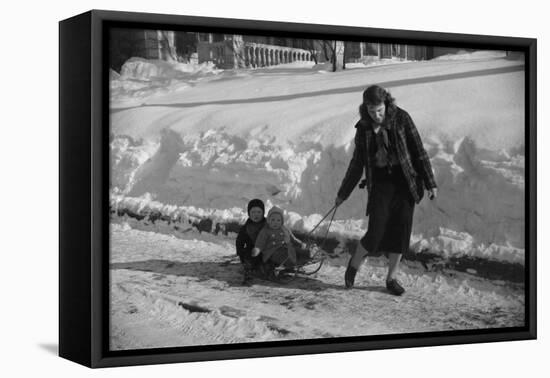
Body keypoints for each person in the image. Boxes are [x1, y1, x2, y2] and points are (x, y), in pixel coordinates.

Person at [335, 85, 437, 295]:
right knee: (375, 232)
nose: (377, 115)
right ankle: (354, 262)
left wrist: (430, 182)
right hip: (380, 185)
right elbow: (357, 164)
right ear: (366, 109)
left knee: (400, 233)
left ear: (387, 103)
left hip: (405, 183)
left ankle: (391, 278)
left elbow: (418, 151)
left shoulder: (402, 118)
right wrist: (342, 194)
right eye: (372, 111)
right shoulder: (363, 128)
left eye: (379, 110)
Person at [251, 206, 310, 278]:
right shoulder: (265, 231)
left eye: (278, 220)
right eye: (273, 220)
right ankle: (292, 263)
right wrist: (256, 250)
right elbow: (260, 243)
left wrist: (300, 244)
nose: (275, 222)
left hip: (285, 249)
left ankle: (307, 255)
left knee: (298, 251)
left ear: (282, 221)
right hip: (272, 253)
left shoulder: (284, 228)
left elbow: (292, 239)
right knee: (289, 255)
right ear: (268, 220)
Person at [235, 199, 267, 283]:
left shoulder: (267, 224)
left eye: (259, 212)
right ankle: (248, 272)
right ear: (249, 213)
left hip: (265, 249)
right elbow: (240, 240)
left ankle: (266, 268)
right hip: (252, 250)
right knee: (249, 257)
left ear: (263, 213)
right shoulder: (246, 227)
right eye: (253, 212)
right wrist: (240, 252)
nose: (256, 215)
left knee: (267, 260)